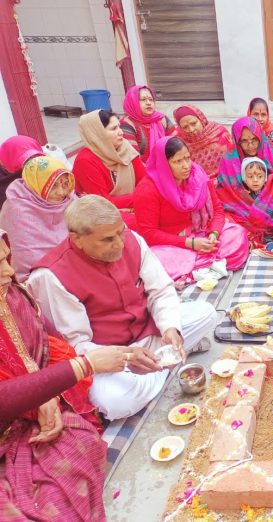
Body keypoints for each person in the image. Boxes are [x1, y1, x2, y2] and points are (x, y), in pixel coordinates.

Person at [27, 195, 219, 420]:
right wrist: (128, 358)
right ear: (77, 239)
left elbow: (161, 290)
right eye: (108, 239)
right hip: (109, 355)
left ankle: (159, 364)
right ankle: (165, 365)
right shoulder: (51, 276)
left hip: (149, 333)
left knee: (207, 313)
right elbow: (75, 344)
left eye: (120, 232)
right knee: (113, 403)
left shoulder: (132, 240)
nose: (119, 243)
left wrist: (169, 328)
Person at [0, 229, 129, 521]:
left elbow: (48, 345)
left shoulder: (12, 295)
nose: (9, 272)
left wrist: (50, 397)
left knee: (81, 448)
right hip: (8, 426)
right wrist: (85, 365)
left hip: (33, 414)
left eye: (8, 259)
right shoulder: (52, 272)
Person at [134, 136, 249, 281]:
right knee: (158, 260)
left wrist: (214, 235)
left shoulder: (198, 177)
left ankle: (195, 268)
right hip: (174, 245)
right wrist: (190, 243)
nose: (186, 165)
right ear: (163, 163)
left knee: (237, 233)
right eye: (178, 161)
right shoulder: (147, 189)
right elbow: (149, 233)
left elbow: (218, 210)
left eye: (187, 158)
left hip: (204, 234)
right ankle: (210, 264)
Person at [0, 156, 77, 281]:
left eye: (65, 184)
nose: (61, 192)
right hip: (45, 278)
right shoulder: (18, 211)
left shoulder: (69, 199)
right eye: (53, 186)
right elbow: (30, 260)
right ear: (37, 184)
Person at [73, 109, 146, 228]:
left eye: (119, 126)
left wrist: (144, 198)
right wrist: (140, 197)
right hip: (101, 214)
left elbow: (144, 182)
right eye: (113, 129)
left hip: (134, 204)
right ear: (97, 134)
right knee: (141, 224)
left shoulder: (125, 147)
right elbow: (101, 203)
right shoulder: (85, 161)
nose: (121, 132)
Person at [217, 156, 273, 256]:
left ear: (265, 178)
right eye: (250, 176)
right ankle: (268, 242)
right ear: (244, 178)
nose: (255, 180)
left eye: (259, 176)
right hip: (258, 229)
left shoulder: (272, 192)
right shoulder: (241, 195)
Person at [217, 117, 273, 221]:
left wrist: (264, 207)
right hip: (241, 213)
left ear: (260, 137)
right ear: (237, 141)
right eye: (244, 141)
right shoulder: (228, 161)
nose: (250, 145)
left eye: (254, 140)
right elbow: (226, 195)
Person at [173, 104, 234, 179]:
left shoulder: (219, 133)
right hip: (197, 185)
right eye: (185, 127)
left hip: (225, 181)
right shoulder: (179, 142)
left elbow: (233, 162)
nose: (191, 129)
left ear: (201, 119)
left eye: (193, 123)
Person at [119, 84, 175, 164]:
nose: (148, 103)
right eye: (143, 99)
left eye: (151, 99)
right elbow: (133, 158)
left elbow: (176, 143)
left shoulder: (161, 119)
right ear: (133, 101)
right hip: (141, 171)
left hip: (166, 166)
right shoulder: (127, 125)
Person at [0, 135, 43, 207]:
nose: (33, 163)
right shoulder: (4, 185)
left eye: (36, 157)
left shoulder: (42, 165)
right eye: (27, 161)